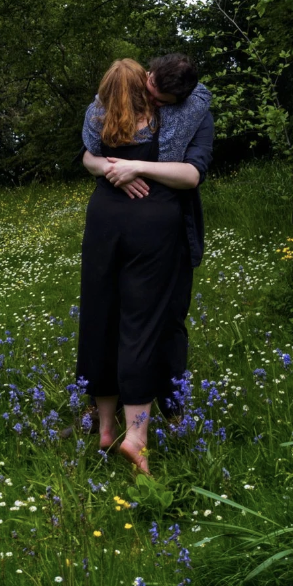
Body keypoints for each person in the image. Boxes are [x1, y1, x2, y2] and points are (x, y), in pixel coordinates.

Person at [75, 54, 213, 471]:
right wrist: (109, 166)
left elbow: (192, 173)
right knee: (138, 323)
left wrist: (129, 166)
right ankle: (135, 432)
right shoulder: (133, 111)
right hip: (148, 227)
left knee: (108, 317)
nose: (152, 97)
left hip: (112, 221)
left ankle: (113, 422)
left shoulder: (175, 112)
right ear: (144, 78)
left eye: (161, 96)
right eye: (148, 88)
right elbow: (88, 157)